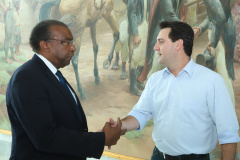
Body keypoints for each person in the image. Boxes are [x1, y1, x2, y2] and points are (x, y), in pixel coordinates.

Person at [109, 21, 240, 160]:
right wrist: (119, 126)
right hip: (158, 156)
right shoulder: (155, 80)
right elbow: (140, 114)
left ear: (178, 45)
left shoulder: (212, 82)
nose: (155, 47)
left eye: (160, 42)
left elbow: (228, 134)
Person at [6, 20, 125, 160]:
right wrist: (100, 139)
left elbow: (62, 123)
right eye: (66, 42)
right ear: (45, 45)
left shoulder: (51, 74)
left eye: (72, 42)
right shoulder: (27, 78)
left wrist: (92, 137)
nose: (73, 47)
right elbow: (45, 138)